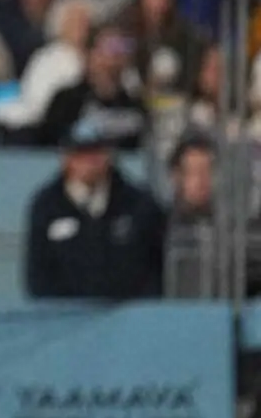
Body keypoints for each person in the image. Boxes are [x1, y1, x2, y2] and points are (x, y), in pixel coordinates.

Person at [25, 118, 166, 300]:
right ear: (66, 159)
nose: (89, 162)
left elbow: (155, 267)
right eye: (80, 154)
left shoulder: (138, 204)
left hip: (129, 312)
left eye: (96, 152)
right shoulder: (46, 206)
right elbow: (38, 274)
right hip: (65, 314)